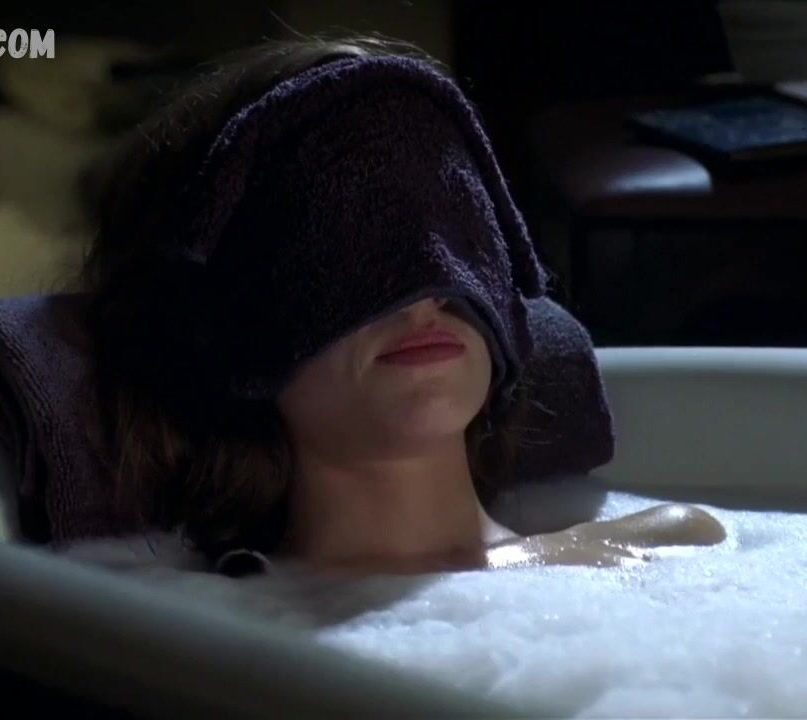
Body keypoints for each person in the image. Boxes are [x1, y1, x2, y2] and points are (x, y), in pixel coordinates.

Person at [82, 36, 725, 577]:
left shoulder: (679, 547)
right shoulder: (197, 635)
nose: (426, 290)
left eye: (456, 227)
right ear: (222, 326)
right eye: (350, 244)